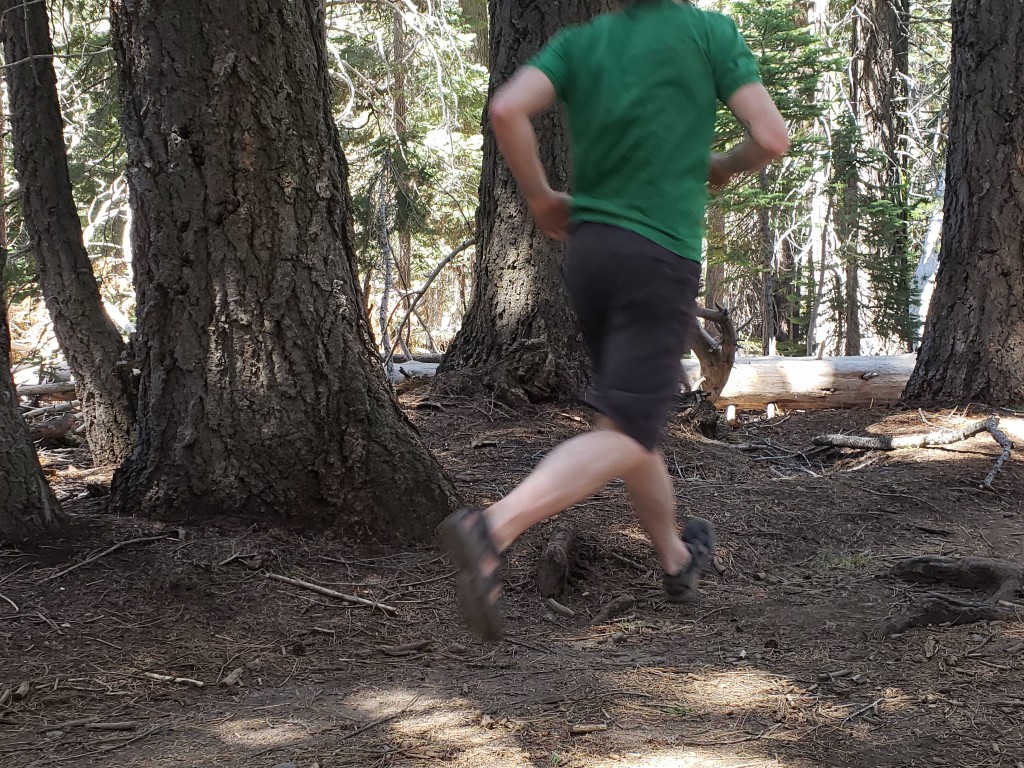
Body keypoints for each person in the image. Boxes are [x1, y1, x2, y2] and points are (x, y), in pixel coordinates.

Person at [441, 0, 789, 642]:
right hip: (657, 257)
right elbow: (771, 137)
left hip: (591, 254)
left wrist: (541, 198)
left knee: (629, 427)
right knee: (629, 428)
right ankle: (492, 529)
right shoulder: (708, 34)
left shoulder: (582, 43)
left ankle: (676, 559)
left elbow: (507, 109)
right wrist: (722, 165)